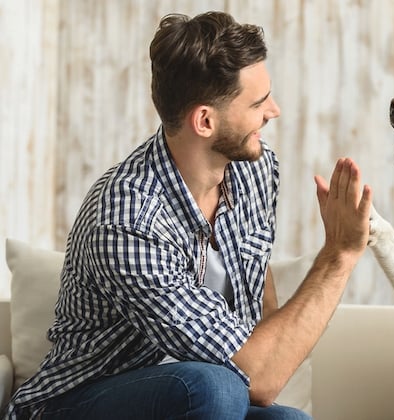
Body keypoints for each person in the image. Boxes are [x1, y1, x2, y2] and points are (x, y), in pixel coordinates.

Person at [3, 10, 372, 420]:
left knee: (289, 419)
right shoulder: (127, 220)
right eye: (258, 102)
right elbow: (260, 378)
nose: (275, 111)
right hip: (76, 404)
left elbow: (258, 288)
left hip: (207, 400)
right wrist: (339, 254)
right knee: (213, 387)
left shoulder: (255, 167)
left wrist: (265, 362)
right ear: (205, 121)